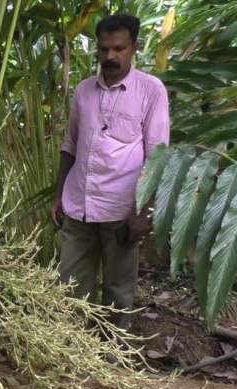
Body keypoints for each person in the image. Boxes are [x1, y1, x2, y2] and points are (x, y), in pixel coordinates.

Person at [50, 14, 170, 330]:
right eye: (104, 49)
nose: (110, 57)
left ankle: (114, 361)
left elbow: (157, 156)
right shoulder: (84, 91)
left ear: (134, 48)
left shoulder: (151, 91)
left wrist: (143, 212)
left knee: (118, 292)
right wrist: (58, 195)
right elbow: (71, 145)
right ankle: (76, 354)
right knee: (71, 289)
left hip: (122, 209)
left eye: (119, 49)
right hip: (79, 205)